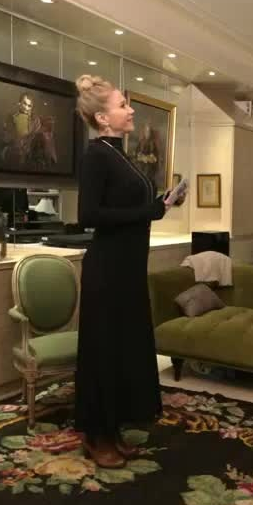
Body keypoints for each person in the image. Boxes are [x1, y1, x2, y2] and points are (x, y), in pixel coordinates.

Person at [73, 75, 182, 467]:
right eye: (123, 105)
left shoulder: (121, 155)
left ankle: (113, 429)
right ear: (103, 118)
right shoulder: (96, 155)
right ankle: (96, 435)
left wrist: (160, 204)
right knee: (104, 353)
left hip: (129, 268)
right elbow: (89, 215)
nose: (131, 110)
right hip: (108, 270)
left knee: (122, 351)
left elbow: (129, 208)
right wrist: (148, 211)